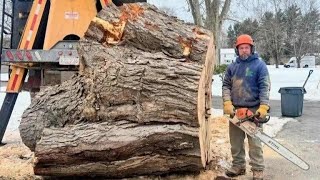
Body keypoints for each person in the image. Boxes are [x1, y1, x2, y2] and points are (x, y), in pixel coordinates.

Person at [222, 34, 271, 180]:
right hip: (236, 110)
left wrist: (263, 106)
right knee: (235, 141)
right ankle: (238, 166)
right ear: (237, 50)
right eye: (241, 48)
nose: (244, 50)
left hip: (253, 109)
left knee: (255, 142)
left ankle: (258, 169)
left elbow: (265, 86)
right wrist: (227, 102)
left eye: (246, 48)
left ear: (251, 48)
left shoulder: (259, 65)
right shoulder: (232, 66)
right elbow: (226, 85)